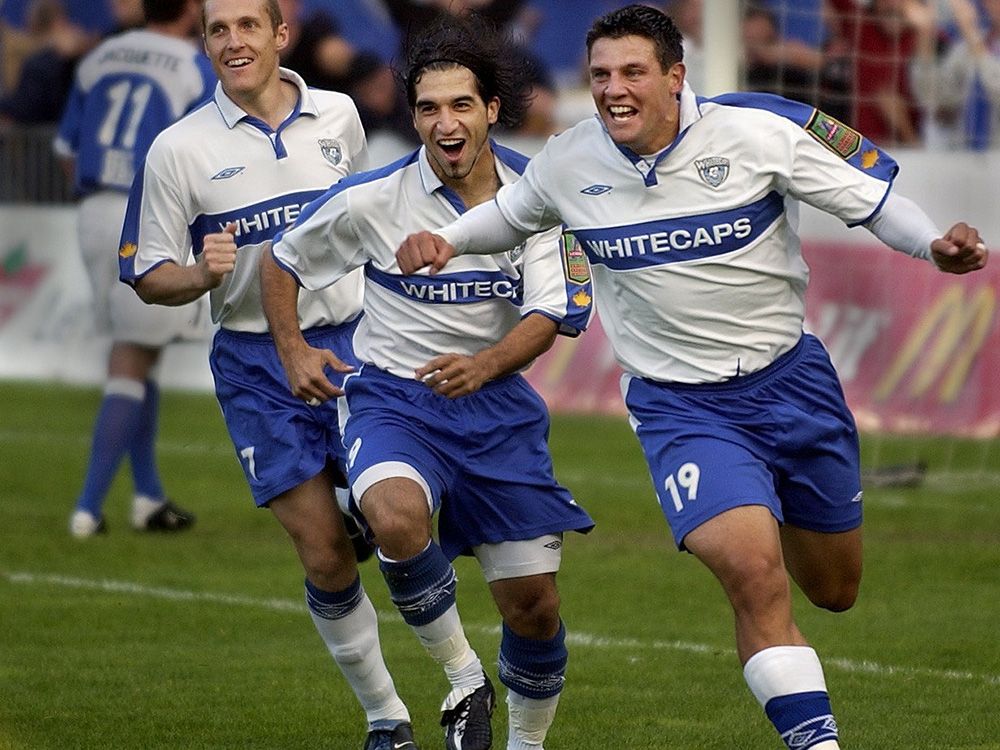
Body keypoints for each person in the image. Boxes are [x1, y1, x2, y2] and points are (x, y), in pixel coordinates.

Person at [394, 5, 989, 749]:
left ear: (676, 77)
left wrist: (934, 245)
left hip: (793, 383)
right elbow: (509, 216)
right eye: (601, 75)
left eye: (633, 72)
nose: (614, 89)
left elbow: (870, 203)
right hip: (682, 410)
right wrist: (444, 241)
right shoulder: (570, 159)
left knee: (834, 590)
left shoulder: (754, 134)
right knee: (752, 573)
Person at [262, 13, 595, 750]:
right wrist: (293, 353)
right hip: (394, 399)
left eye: (461, 105)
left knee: (533, 608)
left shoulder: (539, 200)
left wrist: (483, 366)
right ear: (411, 114)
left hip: (497, 408)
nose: (445, 122)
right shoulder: (375, 196)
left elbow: (553, 314)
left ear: (492, 110)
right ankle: (463, 678)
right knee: (392, 514)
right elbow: (281, 261)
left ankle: (524, 744)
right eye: (427, 107)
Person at [117, 0, 416, 748]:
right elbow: (148, 273)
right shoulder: (177, 149)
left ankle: (459, 676)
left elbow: (362, 218)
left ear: (281, 35)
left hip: (352, 342)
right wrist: (196, 274)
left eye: (248, 25)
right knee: (322, 553)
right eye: (218, 29)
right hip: (254, 362)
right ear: (205, 41)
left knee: (399, 517)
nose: (232, 41)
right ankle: (388, 718)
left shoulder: (340, 116)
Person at [55, 0, 213, 538]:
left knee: (139, 353)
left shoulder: (102, 54)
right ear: (190, 11)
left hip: (94, 209)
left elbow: (64, 149)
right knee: (131, 357)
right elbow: (205, 153)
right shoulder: (194, 65)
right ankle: (86, 508)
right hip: (146, 212)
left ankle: (147, 497)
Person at [910, 0, 1000, 149]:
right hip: (963, 158)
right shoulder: (968, 47)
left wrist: (972, 33)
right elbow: (935, 98)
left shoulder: (974, 41)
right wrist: (925, 35)